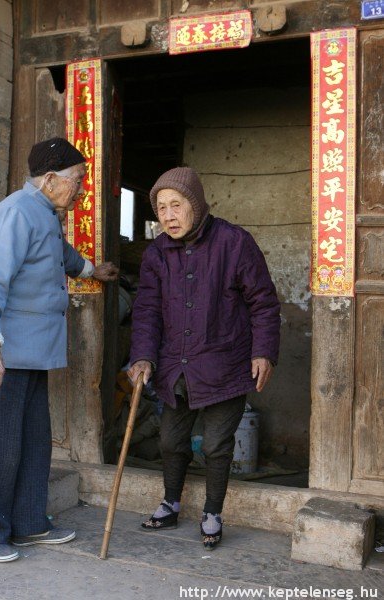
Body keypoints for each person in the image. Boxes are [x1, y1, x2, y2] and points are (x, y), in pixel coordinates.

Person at [0, 137, 119, 562]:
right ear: (49, 180)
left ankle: (29, 523)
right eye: (77, 180)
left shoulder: (44, 214)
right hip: (3, 355)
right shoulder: (14, 213)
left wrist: (92, 269)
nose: (82, 188)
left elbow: (58, 256)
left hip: (31, 354)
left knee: (33, 440)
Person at [128, 167, 280, 550]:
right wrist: (143, 356)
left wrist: (263, 351)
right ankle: (171, 502)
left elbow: (262, 301)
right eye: (160, 208)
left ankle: (212, 511)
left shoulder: (234, 243)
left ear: (194, 204)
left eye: (175, 205)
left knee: (216, 444)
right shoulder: (156, 253)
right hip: (174, 367)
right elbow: (146, 309)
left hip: (225, 364)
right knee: (170, 441)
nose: (167, 216)